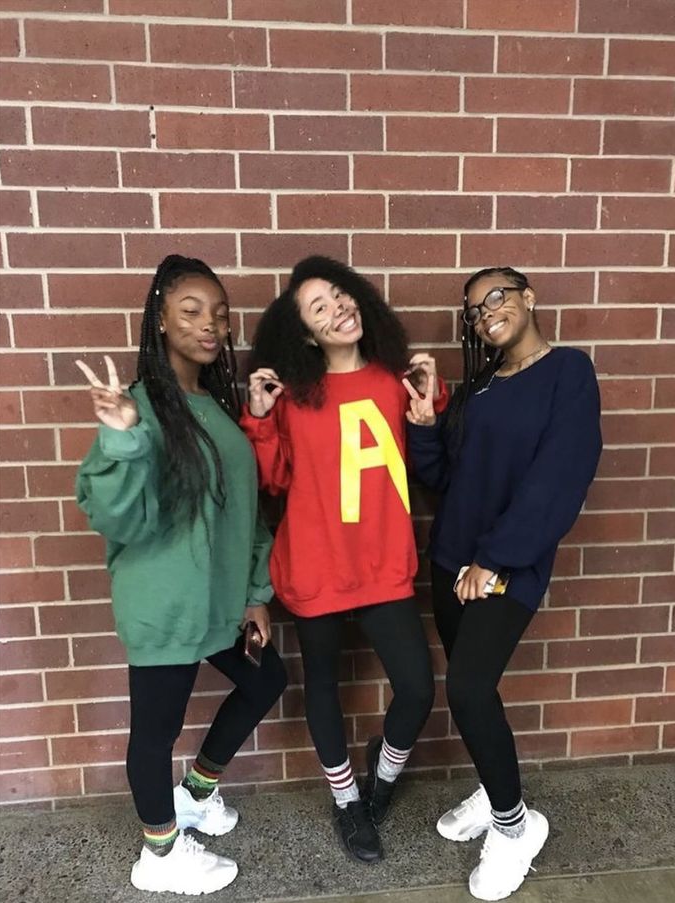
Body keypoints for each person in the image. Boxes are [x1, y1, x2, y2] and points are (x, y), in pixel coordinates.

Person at [75, 255, 287, 896]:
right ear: (160, 319)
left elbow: (246, 511)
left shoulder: (214, 405)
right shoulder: (137, 410)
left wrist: (255, 596)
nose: (210, 325)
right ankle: (160, 858)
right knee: (156, 731)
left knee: (265, 681)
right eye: (191, 311)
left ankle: (194, 794)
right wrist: (121, 440)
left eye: (219, 314)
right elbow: (116, 516)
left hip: (220, 605)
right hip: (167, 604)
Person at [405, 266, 602, 901]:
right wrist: (425, 423)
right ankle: (495, 793)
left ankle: (516, 827)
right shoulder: (481, 387)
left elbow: (559, 479)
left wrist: (496, 558)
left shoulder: (568, 373)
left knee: (467, 688)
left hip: (502, 568)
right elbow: (445, 480)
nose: (486, 311)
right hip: (449, 563)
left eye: (497, 296)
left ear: (528, 298)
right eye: (474, 308)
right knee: (470, 690)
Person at [240, 256, 446, 863]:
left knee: (416, 687)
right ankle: (346, 801)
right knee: (322, 687)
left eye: (341, 295)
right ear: (304, 332)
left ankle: (381, 777)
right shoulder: (293, 398)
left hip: (383, 565)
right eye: (319, 308)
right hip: (316, 565)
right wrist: (256, 416)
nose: (338, 310)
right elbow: (270, 482)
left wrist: (432, 408)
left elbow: (429, 461)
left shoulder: (398, 379)